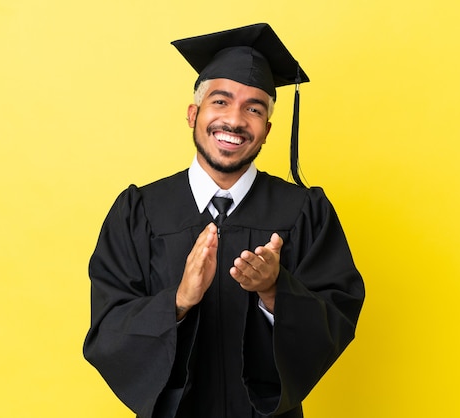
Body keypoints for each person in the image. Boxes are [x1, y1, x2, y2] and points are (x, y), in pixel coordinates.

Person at [83, 23, 365, 418]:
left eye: (254, 108)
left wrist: (273, 292)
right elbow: (107, 331)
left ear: (266, 130)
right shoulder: (139, 211)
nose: (234, 121)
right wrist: (178, 302)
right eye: (220, 102)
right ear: (193, 114)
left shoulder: (304, 212)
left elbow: (337, 318)